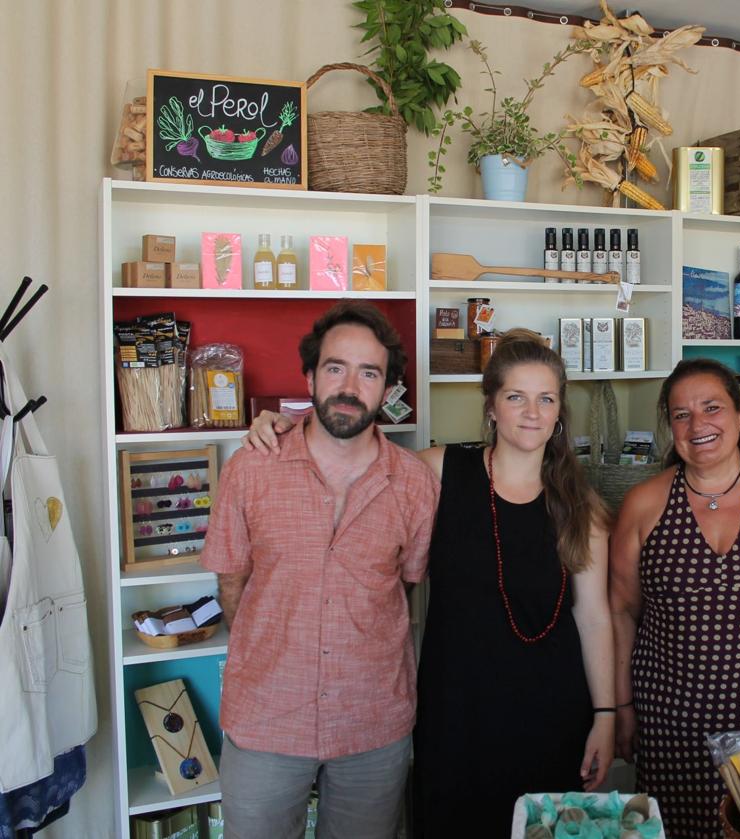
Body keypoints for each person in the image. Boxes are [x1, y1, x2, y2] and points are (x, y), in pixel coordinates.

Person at [244, 328, 614, 837]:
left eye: (546, 398)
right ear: (491, 407)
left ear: (558, 412)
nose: (532, 412)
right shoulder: (439, 473)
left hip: (551, 715)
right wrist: (291, 427)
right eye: (516, 397)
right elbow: (357, 459)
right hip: (454, 714)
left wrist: (607, 713)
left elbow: (593, 619)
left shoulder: (580, 507)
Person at [202, 301, 439, 839]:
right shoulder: (252, 469)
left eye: (369, 372)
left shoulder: (414, 484)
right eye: (336, 368)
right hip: (266, 716)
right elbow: (231, 580)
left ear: (388, 389)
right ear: (309, 375)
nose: (350, 386)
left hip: (372, 722)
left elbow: (406, 584)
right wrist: (274, 654)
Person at [609, 358, 740, 839]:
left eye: (712, 407)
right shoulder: (645, 503)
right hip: (668, 718)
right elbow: (620, 611)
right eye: (681, 414)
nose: (697, 424)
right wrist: (621, 707)